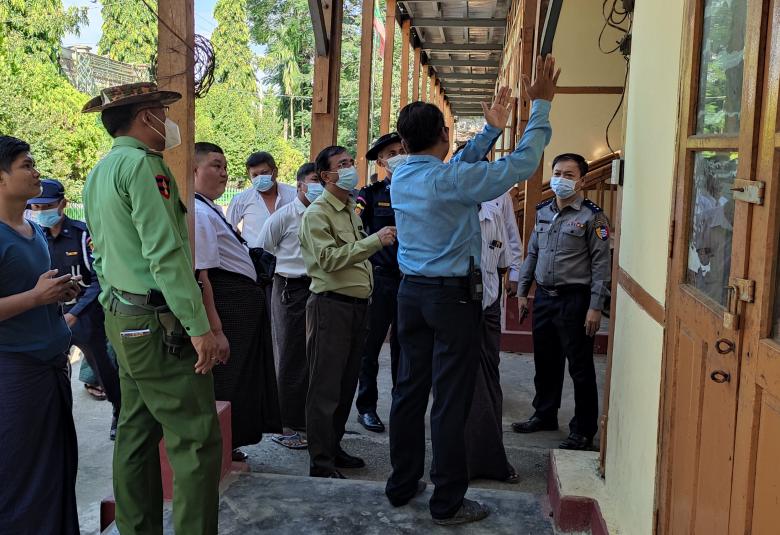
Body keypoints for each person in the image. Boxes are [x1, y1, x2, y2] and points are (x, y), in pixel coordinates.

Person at [386, 55, 559, 526]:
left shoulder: (401, 175)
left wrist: (489, 132)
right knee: (450, 398)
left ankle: (402, 483)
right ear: (444, 136)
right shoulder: (454, 179)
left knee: (408, 390)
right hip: (452, 299)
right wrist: (540, 106)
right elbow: (524, 163)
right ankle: (447, 502)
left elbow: (455, 165)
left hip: (411, 295)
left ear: (403, 141)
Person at [82, 82, 225, 535]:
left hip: (123, 316)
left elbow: (99, 253)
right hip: (159, 324)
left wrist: (114, 304)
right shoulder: (144, 166)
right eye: (162, 113)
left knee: (137, 431)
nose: (168, 122)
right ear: (146, 117)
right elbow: (165, 254)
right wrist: (199, 326)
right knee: (196, 440)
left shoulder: (99, 172)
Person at [299, 145, 397, 478]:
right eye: (342, 164)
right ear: (326, 175)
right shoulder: (318, 213)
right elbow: (328, 260)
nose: (349, 168)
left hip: (356, 308)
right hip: (331, 307)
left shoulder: (349, 211)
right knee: (325, 387)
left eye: (350, 162)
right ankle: (320, 461)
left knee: (345, 385)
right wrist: (374, 241)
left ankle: (333, 446)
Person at [0, 135, 81, 534]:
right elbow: (29, 296)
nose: (36, 172)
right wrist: (35, 297)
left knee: (55, 472)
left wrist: (56, 295)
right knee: (22, 480)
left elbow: (34, 294)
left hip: (50, 368)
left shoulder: (31, 230)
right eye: (26, 166)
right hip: (16, 372)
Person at [512, 152, 611, 451]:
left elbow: (601, 264)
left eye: (569, 175)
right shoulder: (543, 211)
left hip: (575, 300)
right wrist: (522, 292)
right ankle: (544, 414)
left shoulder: (593, 217)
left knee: (580, 367)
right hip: (544, 297)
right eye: (557, 173)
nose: (561, 180)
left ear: (581, 181)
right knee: (545, 361)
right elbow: (532, 253)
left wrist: (595, 306)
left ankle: (583, 429)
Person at [193, 142, 282, 462]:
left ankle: (231, 442)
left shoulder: (209, 207)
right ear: (193, 170)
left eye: (225, 167)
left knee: (243, 378)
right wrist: (215, 329)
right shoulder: (197, 213)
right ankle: (221, 448)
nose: (224, 173)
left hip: (242, 304)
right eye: (215, 166)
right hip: (227, 306)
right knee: (227, 379)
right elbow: (202, 276)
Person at [28, 178, 121, 440]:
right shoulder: (35, 236)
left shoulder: (82, 235)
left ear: (63, 204)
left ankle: (120, 412)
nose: (40, 212)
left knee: (103, 369)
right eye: (35, 207)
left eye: (47, 206)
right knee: (53, 372)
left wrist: (75, 313)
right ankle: (57, 421)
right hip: (52, 315)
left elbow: (98, 281)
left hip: (85, 316)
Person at [260, 162, 322, 449]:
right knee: (291, 356)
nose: (318, 185)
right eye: (313, 180)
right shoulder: (284, 217)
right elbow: (264, 249)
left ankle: (307, 419)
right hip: (290, 289)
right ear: (300, 185)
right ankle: (288, 425)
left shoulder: (324, 215)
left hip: (319, 288)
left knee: (314, 356)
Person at [353, 132, 406, 433]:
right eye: (392, 153)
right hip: (380, 279)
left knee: (404, 347)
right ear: (382, 161)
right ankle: (366, 407)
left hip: (410, 280)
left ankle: (402, 406)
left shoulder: (418, 190)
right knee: (369, 347)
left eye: (402, 150)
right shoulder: (370, 194)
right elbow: (357, 232)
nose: (398, 156)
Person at [464, 200, 519, 483]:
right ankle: (459, 462)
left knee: (489, 383)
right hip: (456, 312)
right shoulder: (447, 209)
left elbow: (502, 261)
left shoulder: (493, 213)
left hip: (488, 310)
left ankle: (491, 459)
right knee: (462, 387)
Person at [227, 151, 296, 246]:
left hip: (288, 254)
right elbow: (229, 228)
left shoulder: (294, 195)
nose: (260, 178)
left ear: (275, 172)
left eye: (264, 173)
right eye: (255, 175)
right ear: (249, 176)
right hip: (254, 255)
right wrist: (245, 246)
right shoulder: (241, 199)